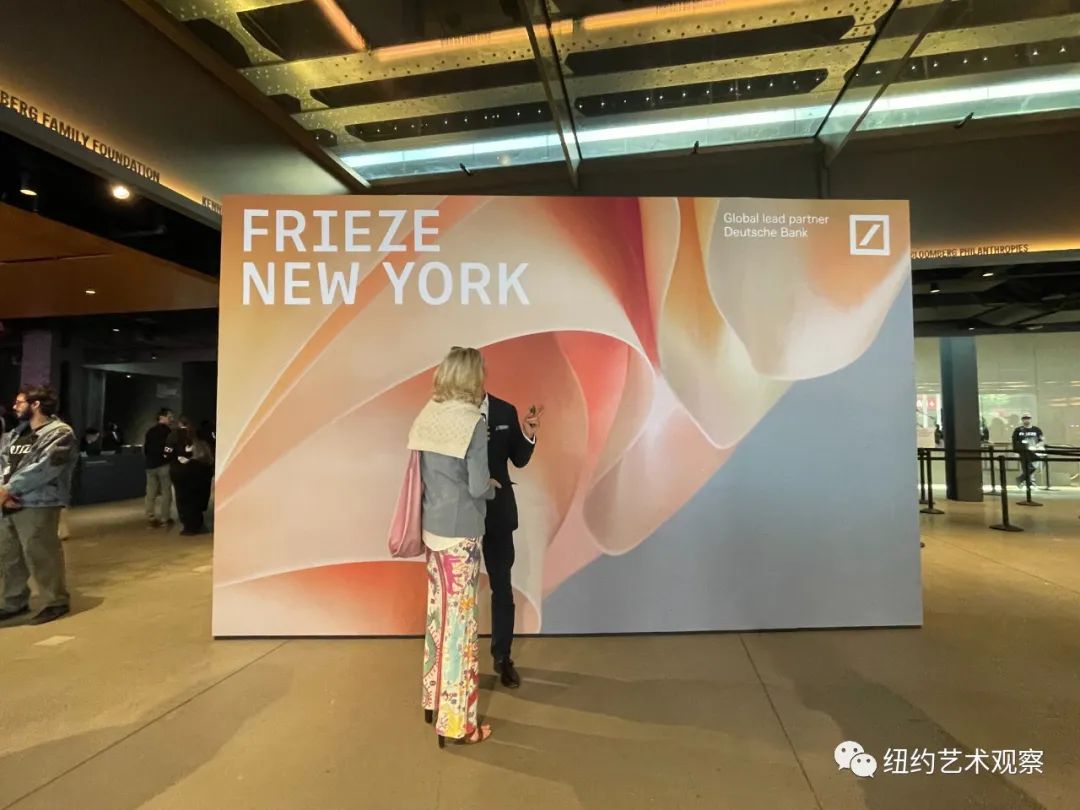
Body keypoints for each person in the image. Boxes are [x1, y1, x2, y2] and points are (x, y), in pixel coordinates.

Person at [409, 347, 497, 746]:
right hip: (462, 533)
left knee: (438, 618)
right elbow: (477, 486)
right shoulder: (472, 423)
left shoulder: (429, 414)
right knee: (462, 628)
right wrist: (491, 487)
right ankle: (459, 724)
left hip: (433, 529)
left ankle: (432, 700)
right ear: (472, 377)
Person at [0, 385, 78, 625]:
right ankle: (14, 601)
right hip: (7, 502)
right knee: (9, 556)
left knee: (41, 553)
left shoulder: (60, 433)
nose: (14, 406)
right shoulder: (16, 434)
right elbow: (3, 463)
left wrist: (8, 489)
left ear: (35, 404)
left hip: (39, 502)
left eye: (19, 402)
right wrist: (3, 492)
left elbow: (45, 468)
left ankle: (55, 601)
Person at [482, 389, 540, 689]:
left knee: (502, 587)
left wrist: (528, 435)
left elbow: (518, 458)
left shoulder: (504, 410)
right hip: (459, 513)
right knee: (457, 591)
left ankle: (502, 657)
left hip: (498, 513)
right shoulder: (451, 412)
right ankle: (458, 662)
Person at [169, 416, 214, 536]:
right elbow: (208, 459)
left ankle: (189, 526)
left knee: (184, 501)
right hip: (197, 474)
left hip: (181, 474)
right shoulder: (200, 440)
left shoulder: (174, 438)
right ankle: (196, 525)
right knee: (195, 501)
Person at [144, 409, 174, 528]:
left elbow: (146, 448)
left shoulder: (150, 431)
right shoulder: (168, 432)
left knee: (150, 493)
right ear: (162, 417)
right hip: (164, 465)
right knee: (166, 492)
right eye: (169, 417)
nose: (172, 419)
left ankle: (150, 517)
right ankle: (164, 518)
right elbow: (170, 448)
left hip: (150, 465)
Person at [1012, 414, 1044, 488]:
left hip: (1034, 451)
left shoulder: (1037, 429)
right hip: (1023, 451)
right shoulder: (1018, 430)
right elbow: (1014, 441)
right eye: (1024, 418)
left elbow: (1042, 440)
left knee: (1033, 467)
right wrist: (1016, 452)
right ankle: (1027, 482)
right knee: (1025, 467)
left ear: (1030, 419)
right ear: (1022, 420)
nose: (1026, 420)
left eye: (1028, 418)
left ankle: (1022, 479)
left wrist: (1037, 446)